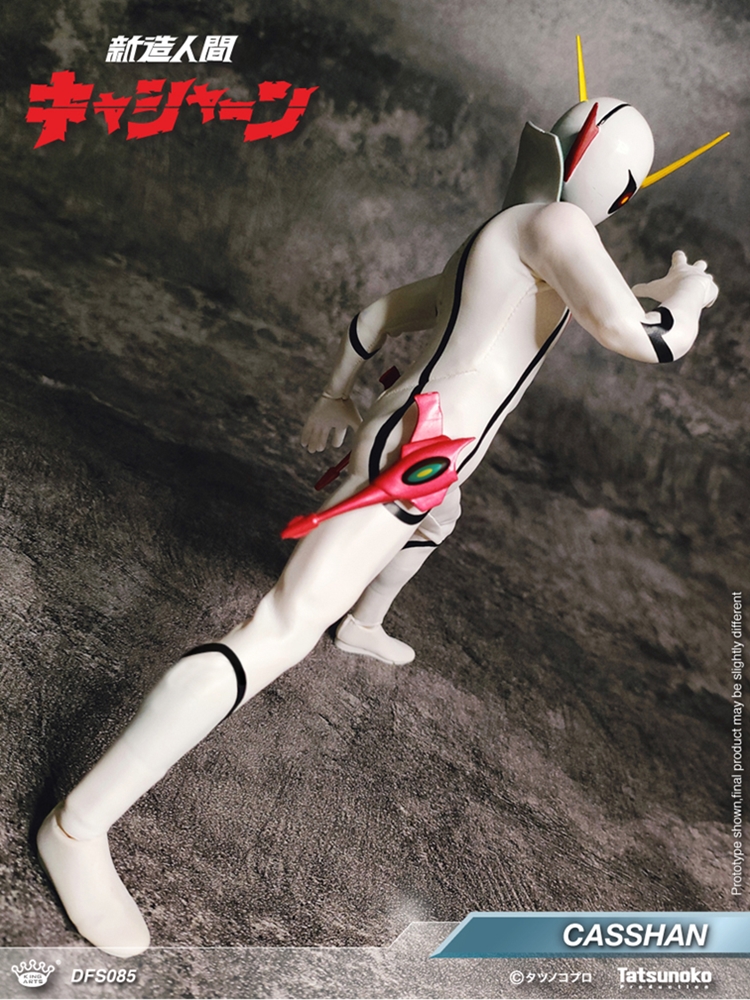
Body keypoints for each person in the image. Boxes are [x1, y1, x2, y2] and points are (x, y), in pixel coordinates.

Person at [37, 90, 722, 956]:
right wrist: (687, 300)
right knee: (279, 628)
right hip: (413, 455)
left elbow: (376, 318)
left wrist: (336, 394)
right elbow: (642, 338)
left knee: (441, 519)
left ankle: (364, 621)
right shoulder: (557, 228)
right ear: (619, 189)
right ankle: (79, 824)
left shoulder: (514, 229)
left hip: (428, 454)